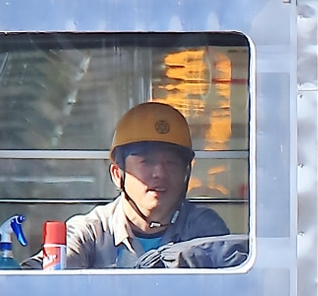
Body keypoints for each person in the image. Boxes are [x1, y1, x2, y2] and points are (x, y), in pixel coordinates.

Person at [66, 102, 231, 269]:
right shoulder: (90, 233)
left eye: (171, 162)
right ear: (118, 174)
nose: (159, 172)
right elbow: (50, 275)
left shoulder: (204, 230)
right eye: (146, 161)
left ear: (185, 173)